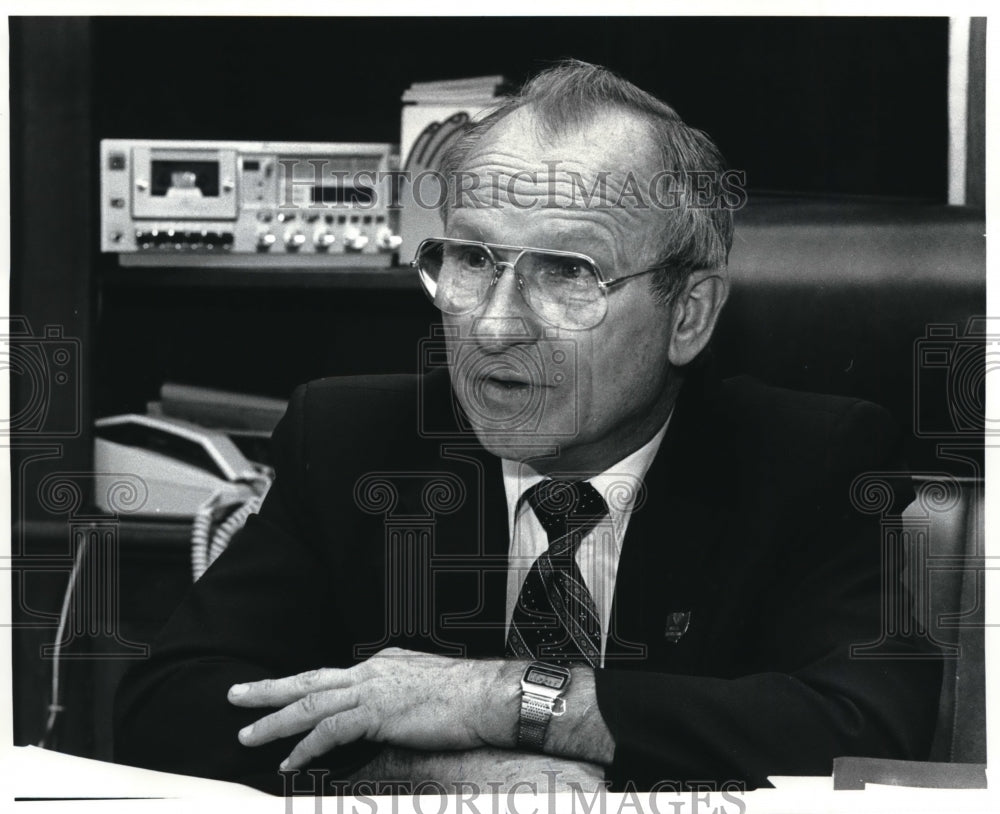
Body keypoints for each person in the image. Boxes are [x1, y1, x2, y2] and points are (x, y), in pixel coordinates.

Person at [114, 60, 941, 795]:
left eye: (566, 273)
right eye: (472, 260)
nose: (495, 326)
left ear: (687, 315)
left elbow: (867, 729)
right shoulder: (351, 438)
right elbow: (169, 703)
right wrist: (423, 774)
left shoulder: (808, 460)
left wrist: (507, 698)